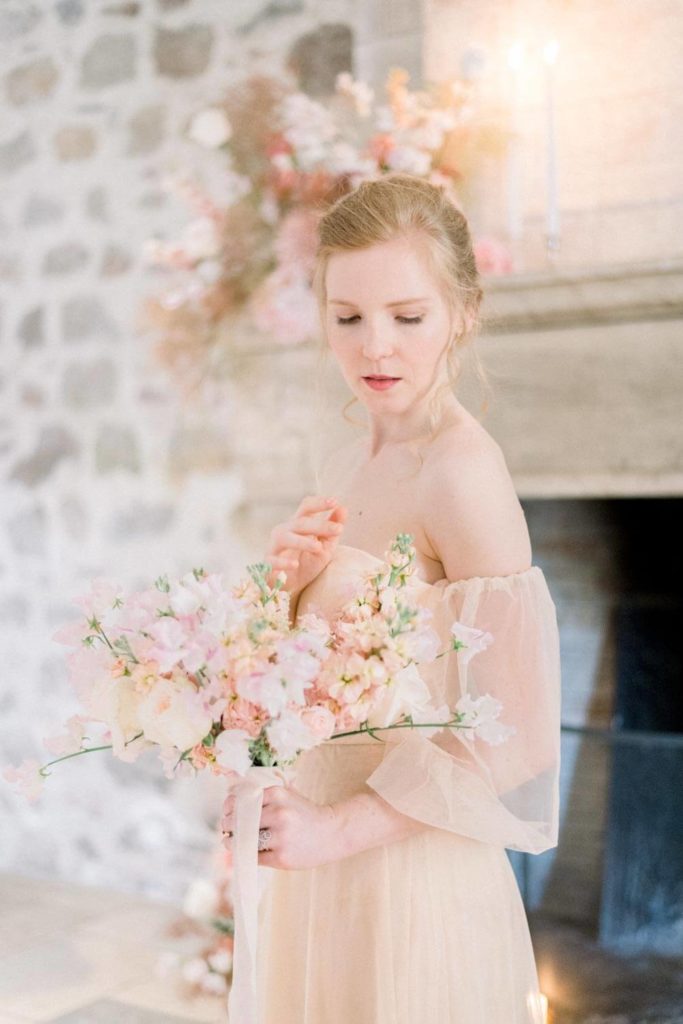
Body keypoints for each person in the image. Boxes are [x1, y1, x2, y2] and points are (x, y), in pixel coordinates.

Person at [221, 173, 561, 1023]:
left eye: (408, 317)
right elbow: (326, 684)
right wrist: (282, 592)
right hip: (317, 874)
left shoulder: (464, 476)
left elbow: (514, 735)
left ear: (462, 312)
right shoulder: (344, 460)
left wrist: (338, 831)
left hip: (407, 883)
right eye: (348, 317)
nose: (375, 347)